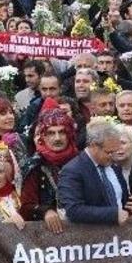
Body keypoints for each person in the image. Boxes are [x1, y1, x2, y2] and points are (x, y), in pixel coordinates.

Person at [58, 119, 132, 225]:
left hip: (121, 237)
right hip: (92, 237)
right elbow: (73, 210)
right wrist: (112, 215)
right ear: (93, 146)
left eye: (114, 151)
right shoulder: (72, 170)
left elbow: (120, 199)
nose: (113, 156)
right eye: (109, 152)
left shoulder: (114, 166)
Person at [20, 98, 78, 233]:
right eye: (51, 133)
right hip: (46, 236)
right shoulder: (34, 165)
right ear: (42, 137)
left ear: (69, 134)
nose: (57, 138)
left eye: (62, 132)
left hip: (83, 231)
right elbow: (26, 207)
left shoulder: (81, 161)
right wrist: (45, 211)